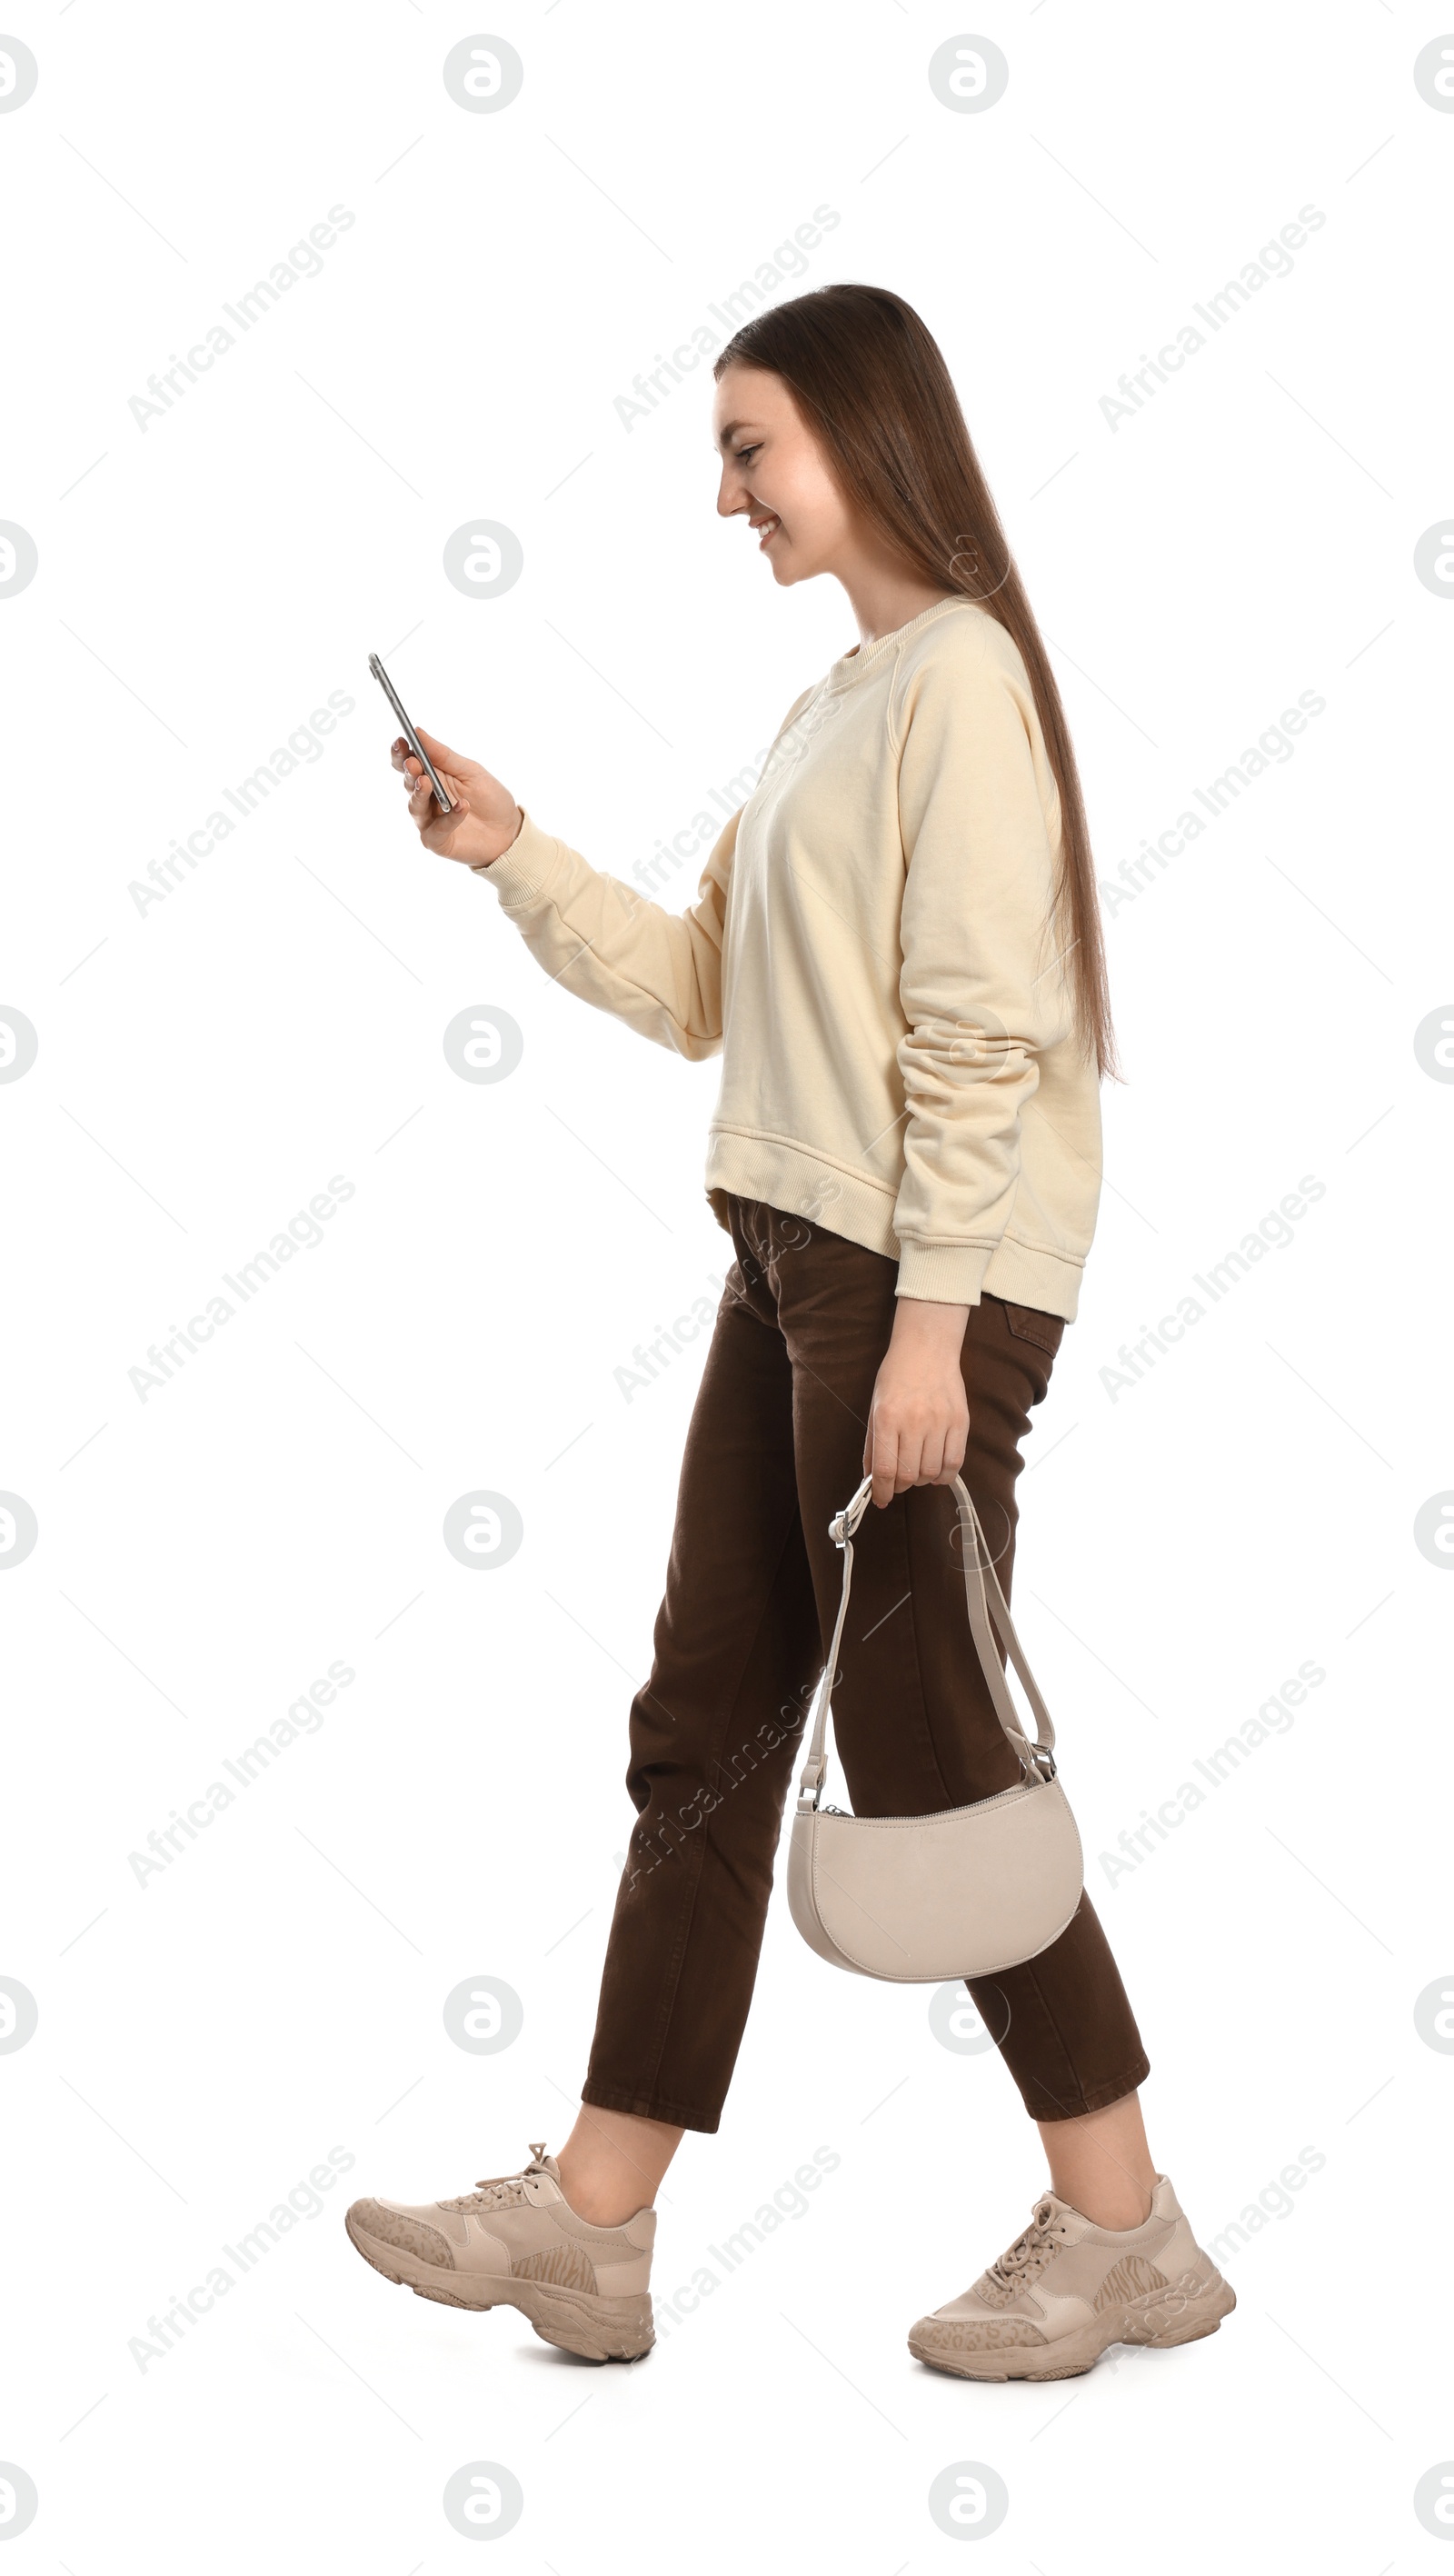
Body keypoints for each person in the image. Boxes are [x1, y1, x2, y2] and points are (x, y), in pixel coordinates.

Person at [344, 284, 1235, 2381]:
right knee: (709, 1720)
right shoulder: (835, 705)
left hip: (918, 1279)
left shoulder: (960, 684)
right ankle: (590, 2225)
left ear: (857, 431)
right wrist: (510, 853)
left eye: (748, 444)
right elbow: (696, 988)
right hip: (791, 1258)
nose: (723, 490)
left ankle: (1127, 2228)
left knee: (927, 1744)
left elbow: (977, 1039)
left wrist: (928, 1333)